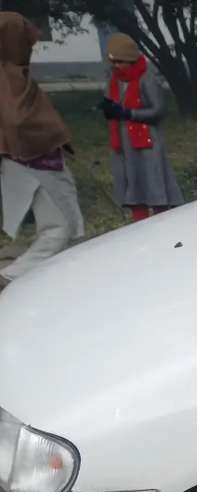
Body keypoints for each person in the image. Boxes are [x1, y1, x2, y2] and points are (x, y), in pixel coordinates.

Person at [0, 12, 84, 291]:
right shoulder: (8, 77)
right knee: (59, 229)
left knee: (64, 224)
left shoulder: (15, 71)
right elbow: (17, 122)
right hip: (33, 163)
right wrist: (48, 135)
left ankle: (52, 281)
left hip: (39, 159)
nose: (32, 47)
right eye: (27, 41)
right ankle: (11, 277)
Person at [99, 33, 183, 222]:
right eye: (114, 62)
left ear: (131, 60)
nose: (116, 66)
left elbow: (159, 110)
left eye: (120, 62)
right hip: (122, 142)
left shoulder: (146, 78)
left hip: (146, 141)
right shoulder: (115, 79)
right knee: (132, 183)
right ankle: (139, 224)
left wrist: (129, 114)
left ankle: (162, 222)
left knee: (153, 182)